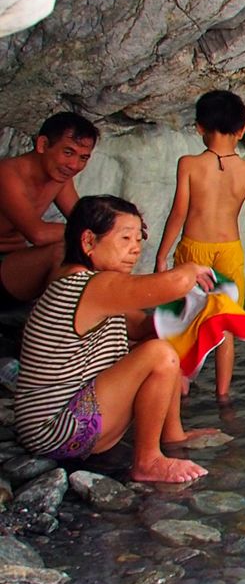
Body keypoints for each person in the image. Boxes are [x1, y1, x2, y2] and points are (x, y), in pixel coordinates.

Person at [15, 195, 220, 482]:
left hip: (66, 428)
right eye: (125, 238)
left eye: (138, 239)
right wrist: (191, 269)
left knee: (164, 341)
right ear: (88, 242)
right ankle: (148, 462)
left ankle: (173, 436)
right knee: (160, 354)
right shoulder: (89, 284)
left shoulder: (96, 286)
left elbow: (143, 327)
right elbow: (175, 283)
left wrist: (199, 318)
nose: (135, 249)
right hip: (55, 431)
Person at [154, 90, 245, 399]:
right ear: (242, 130)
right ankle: (223, 394)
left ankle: (179, 383)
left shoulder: (189, 164)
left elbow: (179, 213)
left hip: (194, 250)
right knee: (225, 323)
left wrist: (162, 256)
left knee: (186, 318)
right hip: (231, 252)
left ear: (199, 127)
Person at [0, 112, 99, 306]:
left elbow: (85, 219)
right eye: (68, 153)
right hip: (4, 270)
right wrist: (98, 233)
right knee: (64, 250)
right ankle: (53, 328)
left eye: (83, 158)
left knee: (100, 248)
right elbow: (37, 234)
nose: (74, 165)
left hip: (15, 265)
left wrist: (121, 225)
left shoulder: (59, 178)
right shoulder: (7, 174)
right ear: (43, 145)